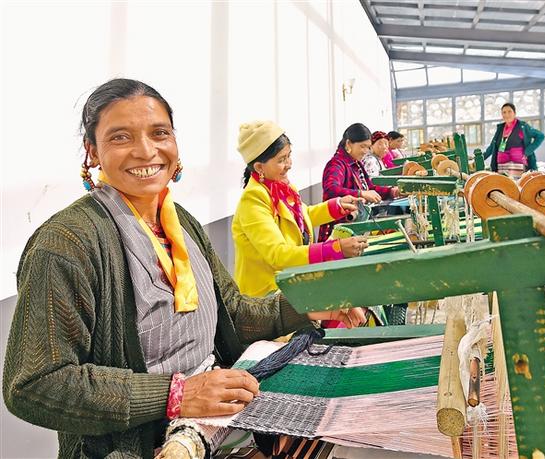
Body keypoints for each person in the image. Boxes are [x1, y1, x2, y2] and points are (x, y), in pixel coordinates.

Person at [2, 78, 365, 458]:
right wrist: (176, 395)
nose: (146, 151)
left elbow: (231, 313)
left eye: (159, 133)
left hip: (218, 425)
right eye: (121, 137)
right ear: (92, 152)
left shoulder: (182, 223)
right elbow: (35, 383)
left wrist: (308, 306)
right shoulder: (67, 244)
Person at [232, 120, 368, 298]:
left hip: (291, 281)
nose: (289, 164)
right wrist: (335, 249)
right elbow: (278, 255)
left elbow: (303, 217)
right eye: (281, 160)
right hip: (267, 296)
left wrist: (337, 206)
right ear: (259, 167)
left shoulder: (283, 188)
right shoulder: (253, 200)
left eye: (289, 156)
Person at [318, 123, 398, 242]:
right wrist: (361, 193)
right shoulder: (336, 164)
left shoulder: (356, 163)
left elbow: (370, 188)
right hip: (340, 231)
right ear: (348, 144)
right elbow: (331, 189)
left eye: (368, 147)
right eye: (362, 146)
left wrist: (393, 192)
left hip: (356, 226)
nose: (366, 151)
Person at [483, 102, 545, 172]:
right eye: (504, 112)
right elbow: (492, 146)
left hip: (519, 167)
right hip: (501, 167)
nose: (507, 114)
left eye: (509, 111)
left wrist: (527, 151)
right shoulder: (500, 128)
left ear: (514, 113)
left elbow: (540, 136)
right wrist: (482, 158)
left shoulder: (522, 126)